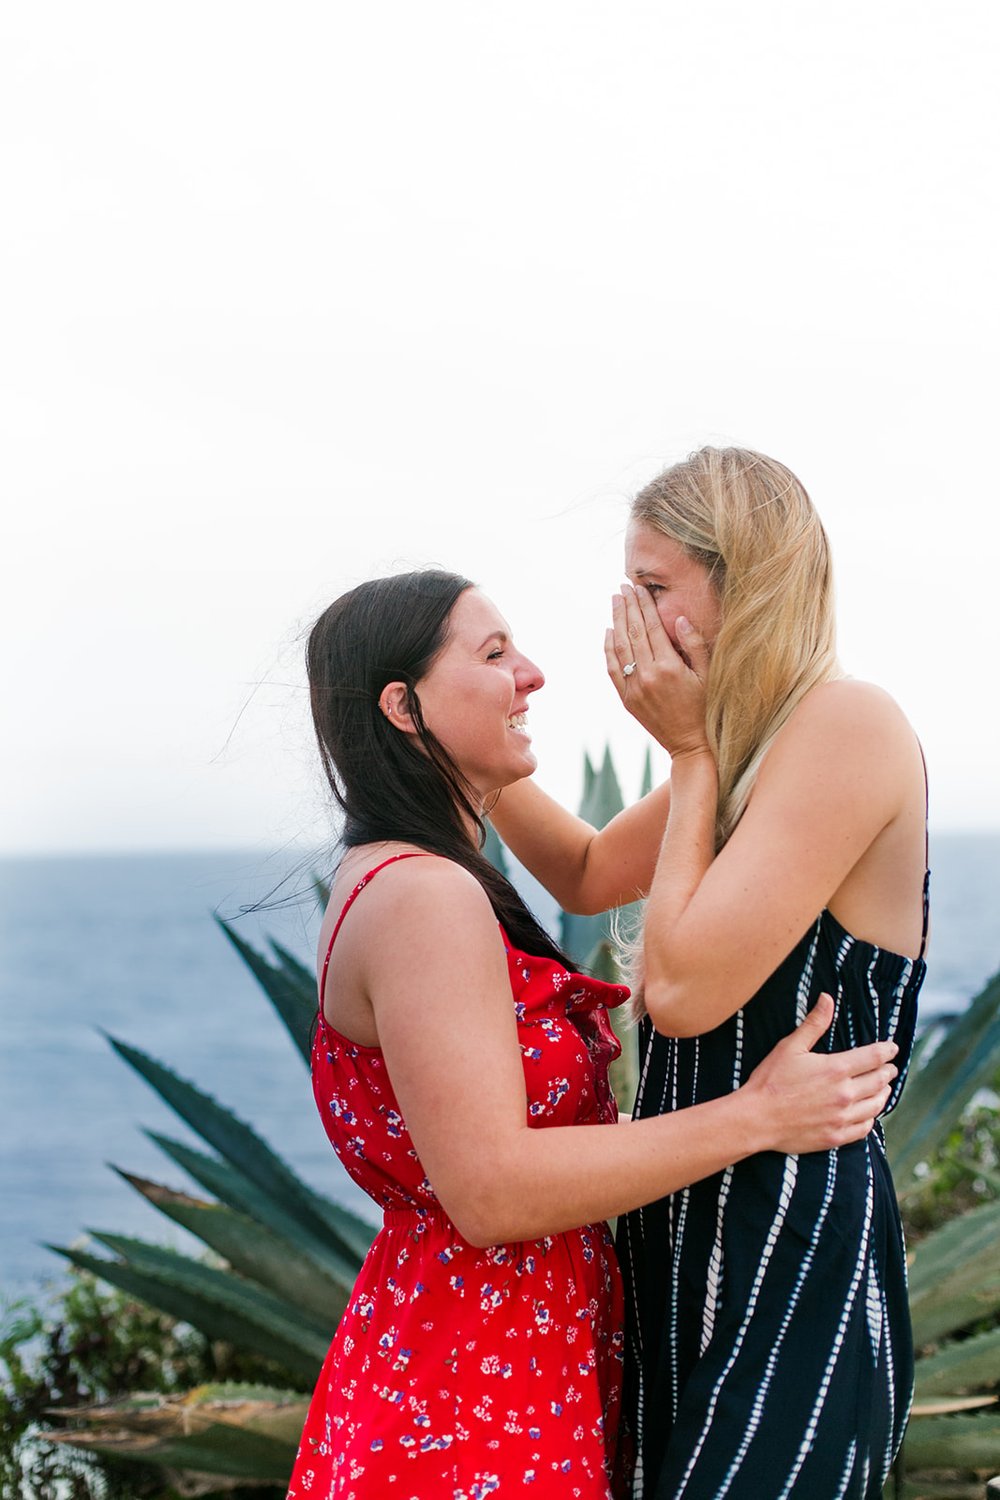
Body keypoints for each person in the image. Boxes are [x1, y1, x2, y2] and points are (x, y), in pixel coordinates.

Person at [285, 567, 901, 1500]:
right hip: (474, 1400)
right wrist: (759, 1116)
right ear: (405, 708)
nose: (532, 673)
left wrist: (700, 747)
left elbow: (585, 869)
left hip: (481, 1365)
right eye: (494, 655)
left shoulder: (401, 866)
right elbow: (490, 1192)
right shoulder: (426, 894)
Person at [490, 447, 928, 1499]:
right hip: (687, 1214)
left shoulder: (843, 726)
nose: (627, 621)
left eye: (652, 589)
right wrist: (463, 746)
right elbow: (588, 871)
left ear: (747, 582)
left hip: (793, 1232)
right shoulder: (751, 741)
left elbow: (682, 997)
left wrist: (687, 757)